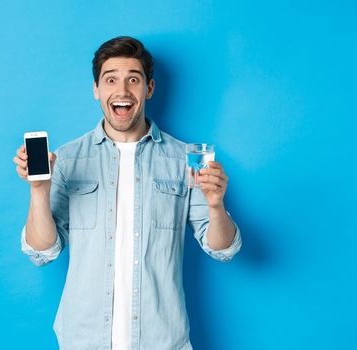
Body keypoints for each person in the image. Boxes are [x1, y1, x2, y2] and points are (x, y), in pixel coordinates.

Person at [12, 36, 242, 350]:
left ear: (149, 88)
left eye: (133, 79)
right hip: (83, 341)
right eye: (111, 80)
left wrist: (216, 206)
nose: (122, 91)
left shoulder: (184, 159)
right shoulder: (66, 159)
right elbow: (42, 252)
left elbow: (223, 249)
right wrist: (39, 190)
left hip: (163, 342)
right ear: (96, 89)